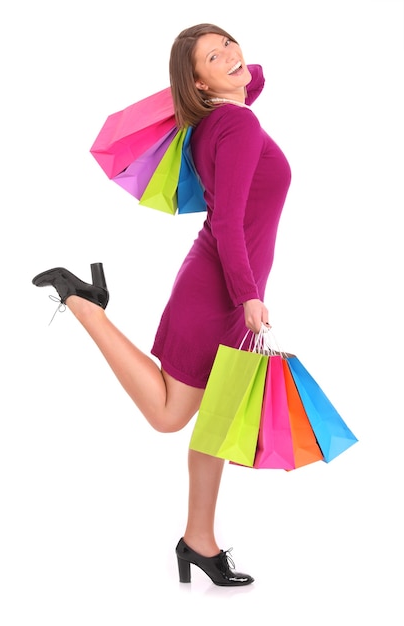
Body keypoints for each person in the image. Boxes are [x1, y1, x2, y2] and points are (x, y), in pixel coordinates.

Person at [32, 23, 291, 586]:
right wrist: (248, 295)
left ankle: (199, 541)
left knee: (217, 424)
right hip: (222, 291)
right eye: (212, 56)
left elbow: (254, 80)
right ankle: (85, 305)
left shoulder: (212, 124)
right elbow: (225, 220)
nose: (230, 55)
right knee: (170, 415)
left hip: (224, 282)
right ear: (196, 83)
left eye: (230, 44)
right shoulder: (238, 123)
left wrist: (223, 77)